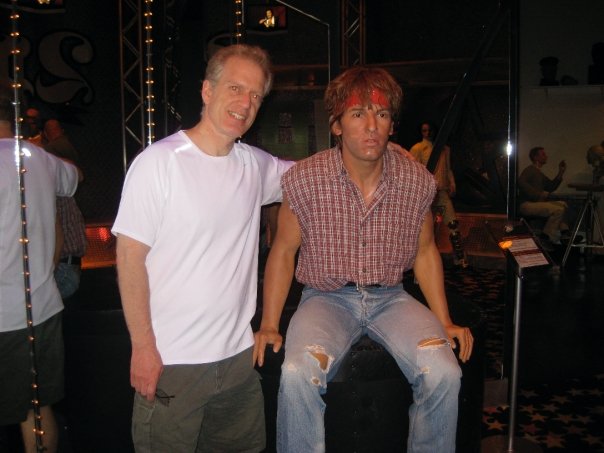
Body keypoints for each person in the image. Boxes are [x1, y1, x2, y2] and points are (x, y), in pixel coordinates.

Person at [254, 66, 474, 453]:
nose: (372, 125)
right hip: (326, 298)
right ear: (337, 125)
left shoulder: (416, 181)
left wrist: (445, 320)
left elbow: (425, 252)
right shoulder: (307, 179)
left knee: (444, 372)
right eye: (358, 114)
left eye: (382, 114)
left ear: (392, 124)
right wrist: (270, 325)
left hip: (391, 298)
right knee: (297, 372)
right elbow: (284, 250)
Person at [112, 44, 293, 452]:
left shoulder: (255, 165)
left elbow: (316, 176)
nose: (245, 103)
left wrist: (381, 153)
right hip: (173, 362)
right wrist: (143, 347)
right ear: (207, 91)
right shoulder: (159, 163)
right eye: (235, 88)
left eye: (256, 95)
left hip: (238, 360)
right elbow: (129, 259)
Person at [0, 94, 79, 452]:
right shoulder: (41, 158)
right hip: (41, 308)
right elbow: (75, 177)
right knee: (37, 408)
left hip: (7, 315)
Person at [410, 121, 468, 267]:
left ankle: (460, 258)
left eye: (429, 130)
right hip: (426, 194)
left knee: (452, 223)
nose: (427, 133)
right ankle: (422, 262)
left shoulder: (444, 149)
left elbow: (448, 168)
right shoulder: (418, 149)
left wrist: (452, 182)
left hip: (441, 191)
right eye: (424, 130)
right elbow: (413, 170)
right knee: (426, 230)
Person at [43, 119, 87, 299]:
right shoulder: (60, 183)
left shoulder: (53, 186)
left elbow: (58, 234)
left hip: (62, 267)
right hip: (66, 265)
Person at [518, 146, 571, 247]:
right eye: (543, 154)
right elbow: (521, 182)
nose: (546, 156)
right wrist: (538, 194)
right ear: (535, 157)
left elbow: (551, 186)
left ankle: (564, 232)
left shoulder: (538, 172)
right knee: (558, 209)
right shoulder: (530, 170)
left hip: (534, 204)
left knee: (563, 204)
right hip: (526, 204)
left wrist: (561, 172)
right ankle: (546, 238)